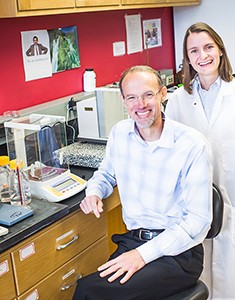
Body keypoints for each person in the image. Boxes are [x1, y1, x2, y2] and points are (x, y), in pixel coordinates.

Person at [72, 65, 214, 300]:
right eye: (132, 97)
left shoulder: (191, 145)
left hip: (179, 253)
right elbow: (106, 174)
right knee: (99, 289)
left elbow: (198, 221)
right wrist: (94, 192)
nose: (141, 104)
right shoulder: (120, 134)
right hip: (133, 241)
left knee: (89, 291)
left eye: (148, 94)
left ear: (162, 94)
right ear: (123, 101)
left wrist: (142, 255)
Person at [165, 22, 235, 300]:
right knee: (201, 275)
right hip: (194, 201)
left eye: (208, 47)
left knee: (233, 276)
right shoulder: (178, 99)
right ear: (187, 58)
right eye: (194, 50)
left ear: (220, 50)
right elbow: (170, 150)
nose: (203, 55)